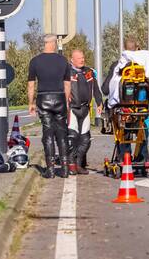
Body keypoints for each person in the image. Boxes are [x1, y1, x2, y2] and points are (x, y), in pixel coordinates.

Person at [106, 37, 149, 162]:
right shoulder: (147, 66)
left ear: (125, 49)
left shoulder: (118, 65)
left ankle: (124, 156)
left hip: (123, 108)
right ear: (138, 48)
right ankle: (142, 158)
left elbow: (106, 88)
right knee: (142, 131)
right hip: (142, 108)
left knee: (122, 131)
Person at [27, 35, 72, 179]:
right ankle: (64, 169)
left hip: (43, 97)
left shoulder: (35, 61)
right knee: (62, 133)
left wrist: (31, 103)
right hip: (59, 97)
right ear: (53, 43)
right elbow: (67, 84)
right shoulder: (63, 60)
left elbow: (31, 84)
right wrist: (65, 102)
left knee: (47, 134)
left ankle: (50, 169)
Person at [66, 49, 103, 174]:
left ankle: (79, 164)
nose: (82, 60)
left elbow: (96, 89)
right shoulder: (66, 72)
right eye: (79, 58)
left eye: (83, 57)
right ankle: (71, 165)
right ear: (72, 60)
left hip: (85, 109)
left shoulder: (89, 72)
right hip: (72, 109)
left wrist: (99, 102)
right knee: (72, 138)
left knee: (85, 139)